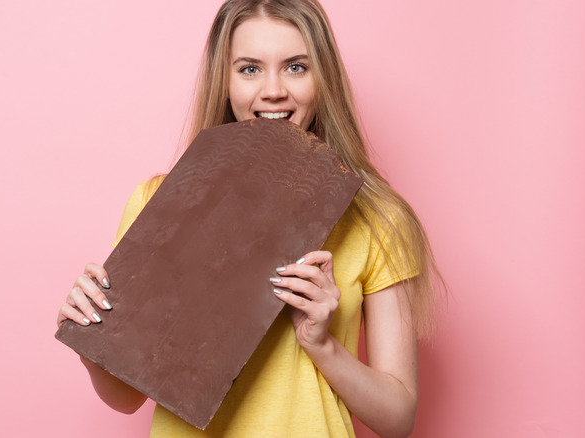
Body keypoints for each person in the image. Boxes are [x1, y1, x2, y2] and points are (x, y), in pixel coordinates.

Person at [57, 0, 443, 436]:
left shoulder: (379, 219)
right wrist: (92, 341)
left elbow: (399, 418)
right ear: (225, 80)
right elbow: (126, 399)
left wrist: (322, 345)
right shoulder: (157, 200)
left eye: (296, 67)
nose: (273, 89)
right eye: (250, 69)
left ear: (324, 78)